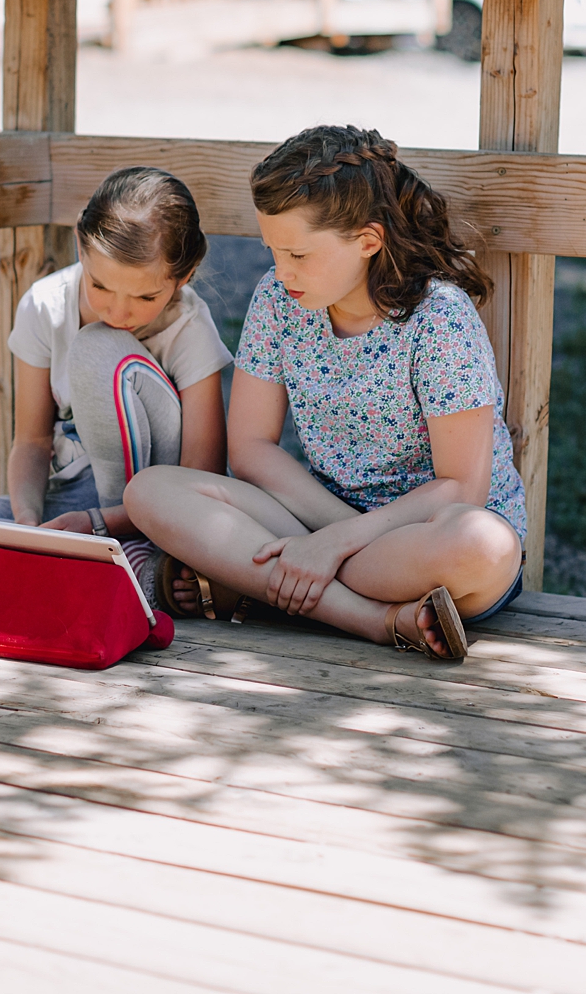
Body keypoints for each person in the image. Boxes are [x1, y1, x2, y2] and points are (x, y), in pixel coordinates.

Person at [123, 125, 525, 662]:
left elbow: (462, 488)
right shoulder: (277, 300)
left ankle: (263, 582)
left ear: (367, 241)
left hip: (421, 539)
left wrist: (333, 545)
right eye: (272, 250)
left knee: (486, 546)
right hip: (310, 521)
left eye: (298, 255)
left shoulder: (439, 319)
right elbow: (250, 450)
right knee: (150, 491)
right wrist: (326, 534)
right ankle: (376, 620)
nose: (281, 270)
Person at [0, 166, 230, 614]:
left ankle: (126, 557)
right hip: (70, 506)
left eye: (145, 298)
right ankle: (84, 569)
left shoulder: (190, 326)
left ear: (183, 276)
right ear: (79, 245)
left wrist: (96, 524)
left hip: (155, 512)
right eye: (100, 285)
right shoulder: (45, 305)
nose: (119, 310)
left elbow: (202, 476)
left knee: (98, 347)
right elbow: (31, 440)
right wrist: (28, 526)